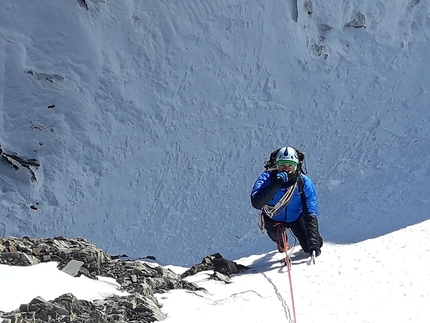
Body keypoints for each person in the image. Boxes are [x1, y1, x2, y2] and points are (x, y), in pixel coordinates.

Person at [250, 146, 323, 256]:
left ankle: (312, 242)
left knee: (310, 247)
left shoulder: (304, 182)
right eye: (283, 165)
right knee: (278, 239)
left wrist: (314, 242)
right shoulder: (266, 178)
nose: (286, 168)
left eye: (290, 165)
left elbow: (310, 212)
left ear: (296, 166)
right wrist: (275, 184)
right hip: (272, 218)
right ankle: (281, 242)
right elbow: (256, 202)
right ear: (277, 165)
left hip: (296, 218)